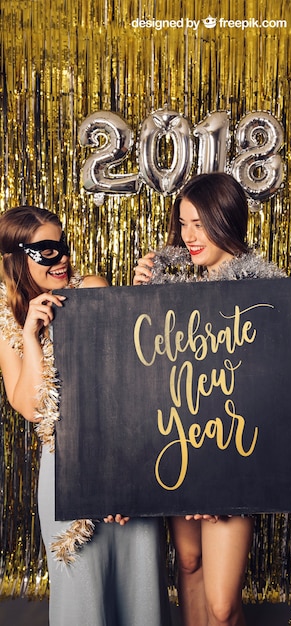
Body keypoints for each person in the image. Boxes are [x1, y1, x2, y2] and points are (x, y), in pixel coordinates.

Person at [0, 206, 172, 626]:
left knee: (140, 594)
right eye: (46, 250)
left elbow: (132, 378)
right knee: (81, 599)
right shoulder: (5, 319)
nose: (61, 258)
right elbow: (31, 408)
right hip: (65, 469)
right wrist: (31, 335)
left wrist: (141, 301)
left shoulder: (92, 289)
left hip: (126, 457)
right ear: (14, 257)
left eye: (63, 246)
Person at [133, 172, 286, 626]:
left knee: (222, 605)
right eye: (183, 224)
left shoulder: (264, 292)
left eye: (200, 223)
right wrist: (141, 300)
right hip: (181, 445)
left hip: (231, 455)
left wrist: (216, 474)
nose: (189, 237)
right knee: (189, 564)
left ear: (227, 219)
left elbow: (268, 392)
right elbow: (152, 371)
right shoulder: (178, 287)